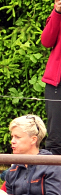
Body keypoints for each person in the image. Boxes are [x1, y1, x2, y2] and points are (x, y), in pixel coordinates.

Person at [42, 0, 61, 155]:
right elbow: (46, 41)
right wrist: (57, 12)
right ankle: (52, 177)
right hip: (57, 84)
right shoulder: (57, 13)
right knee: (55, 138)